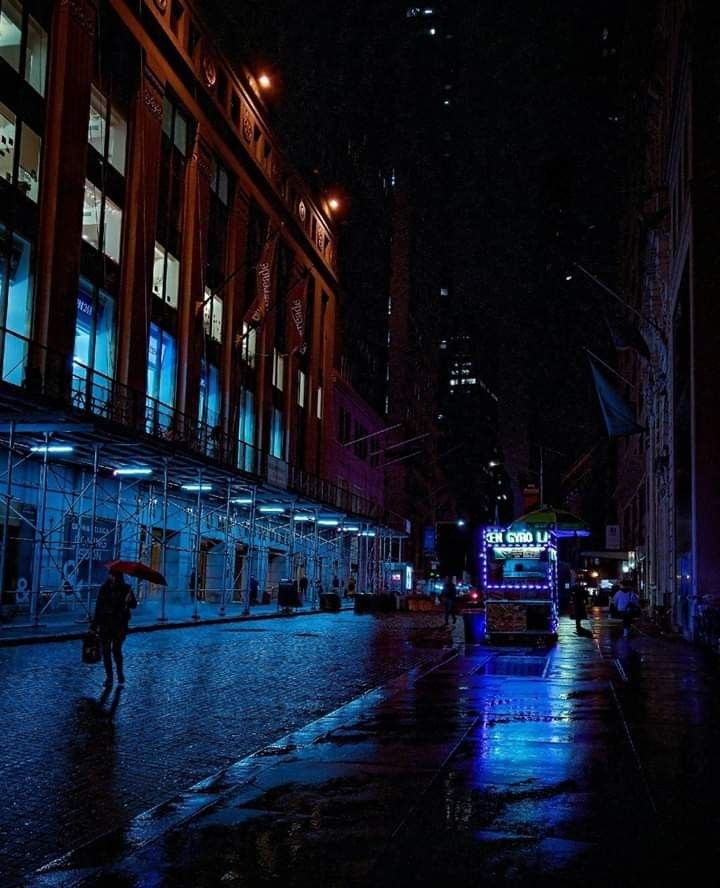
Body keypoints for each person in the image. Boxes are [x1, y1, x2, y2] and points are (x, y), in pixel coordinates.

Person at [92, 570, 137, 687]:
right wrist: (93, 625)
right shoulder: (104, 588)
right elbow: (98, 607)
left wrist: (130, 599)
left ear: (119, 576)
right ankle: (109, 678)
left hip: (119, 625)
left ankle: (120, 674)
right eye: (111, 575)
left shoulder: (126, 589)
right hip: (105, 625)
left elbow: (134, 605)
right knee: (106, 652)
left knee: (116, 651)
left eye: (115, 575)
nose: (113, 577)